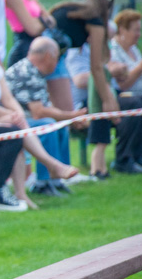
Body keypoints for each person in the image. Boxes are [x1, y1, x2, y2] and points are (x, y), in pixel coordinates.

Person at [0, 23, 79, 210]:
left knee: (19, 129)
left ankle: (22, 192)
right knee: (15, 132)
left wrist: (15, 113)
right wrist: (8, 116)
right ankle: (1, 191)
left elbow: (8, 98)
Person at [5, 37, 87, 196]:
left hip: (26, 118)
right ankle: (43, 183)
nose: (57, 62)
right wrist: (70, 116)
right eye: (57, 58)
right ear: (49, 56)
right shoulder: (26, 72)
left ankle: (57, 180)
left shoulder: (34, 71)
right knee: (48, 125)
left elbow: (41, 108)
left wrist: (68, 118)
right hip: (12, 121)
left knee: (58, 126)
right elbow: (38, 112)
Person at [96, 9, 142, 173]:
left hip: (138, 96)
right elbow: (124, 84)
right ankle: (124, 158)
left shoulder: (134, 50)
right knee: (137, 104)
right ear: (122, 29)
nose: (139, 34)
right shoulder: (114, 50)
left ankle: (141, 157)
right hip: (116, 96)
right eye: (136, 29)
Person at [49, 0, 118, 114]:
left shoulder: (69, 9)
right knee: (66, 113)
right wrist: (107, 100)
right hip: (49, 60)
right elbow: (96, 67)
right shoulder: (95, 21)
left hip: (40, 57)